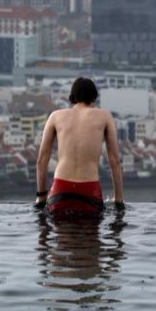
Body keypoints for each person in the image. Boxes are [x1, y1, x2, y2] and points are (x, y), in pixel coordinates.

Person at [35, 77, 124, 214]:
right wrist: (118, 199)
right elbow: (115, 161)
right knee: (90, 232)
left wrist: (41, 197)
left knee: (60, 232)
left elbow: (42, 160)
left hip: (60, 190)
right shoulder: (104, 116)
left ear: (72, 97)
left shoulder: (55, 116)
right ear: (94, 98)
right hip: (89, 191)